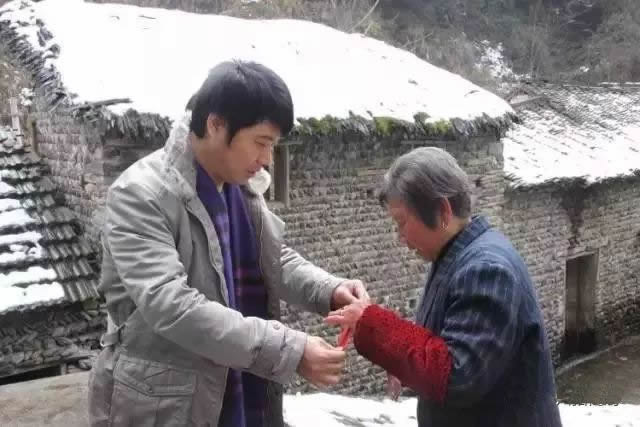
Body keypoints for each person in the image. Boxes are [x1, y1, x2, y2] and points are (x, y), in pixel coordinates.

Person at [88, 60, 368, 427]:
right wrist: (290, 350)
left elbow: (270, 259)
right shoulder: (141, 194)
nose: (266, 160)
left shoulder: (239, 188)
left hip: (240, 384)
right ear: (215, 125)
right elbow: (171, 305)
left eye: (273, 146)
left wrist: (329, 290)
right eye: (261, 143)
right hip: (166, 403)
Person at [326, 147, 563, 427]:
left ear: (442, 211)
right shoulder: (455, 255)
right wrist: (400, 361)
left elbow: (456, 376)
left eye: (401, 222)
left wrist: (371, 323)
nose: (400, 237)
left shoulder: (487, 269)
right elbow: (442, 342)